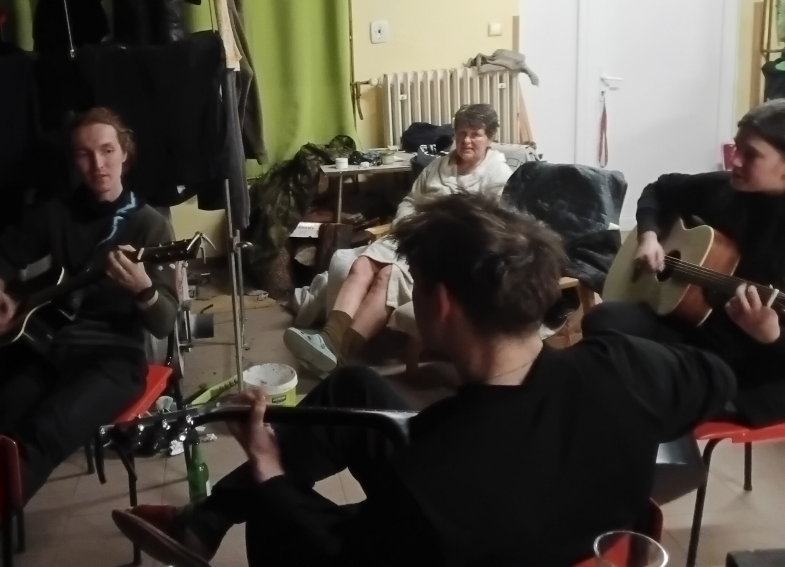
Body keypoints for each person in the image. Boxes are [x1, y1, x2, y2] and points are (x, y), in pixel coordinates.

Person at [113, 192, 735, 567]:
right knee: (356, 390)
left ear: (438, 304)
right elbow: (719, 379)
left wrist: (270, 470)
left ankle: (222, 513)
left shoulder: (433, 476)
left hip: (470, 531)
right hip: (560, 527)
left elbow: (339, 552)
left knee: (278, 514)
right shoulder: (630, 365)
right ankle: (204, 523)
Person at [0, 107, 178, 501]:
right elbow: (7, 256)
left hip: (114, 359)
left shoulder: (150, 225)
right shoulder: (56, 213)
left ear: (124, 153)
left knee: (46, 429)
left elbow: (164, 323)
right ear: (74, 161)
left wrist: (143, 289)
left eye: (107, 150)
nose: (97, 164)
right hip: (53, 348)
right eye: (85, 154)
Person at [584, 99, 785, 428]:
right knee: (606, 319)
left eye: (751, 154)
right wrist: (649, 236)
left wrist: (771, 336)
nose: (734, 160)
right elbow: (660, 189)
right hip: (697, 332)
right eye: (736, 147)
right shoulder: (727, 190)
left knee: (635, 394)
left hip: (755, 367)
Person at [283, 103, 512, 373]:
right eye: (462, 133)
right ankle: (329, 338)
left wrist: (435, 234)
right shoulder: (439, 166)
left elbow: (487, 227)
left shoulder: (498, 176)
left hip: (442, 250)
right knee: (362, 264)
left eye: (475, 134)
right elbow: (410, 201)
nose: (466, 140)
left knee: (388, 276)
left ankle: (341, 354)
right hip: (410, 233)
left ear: (490, 138)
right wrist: (405, 225)